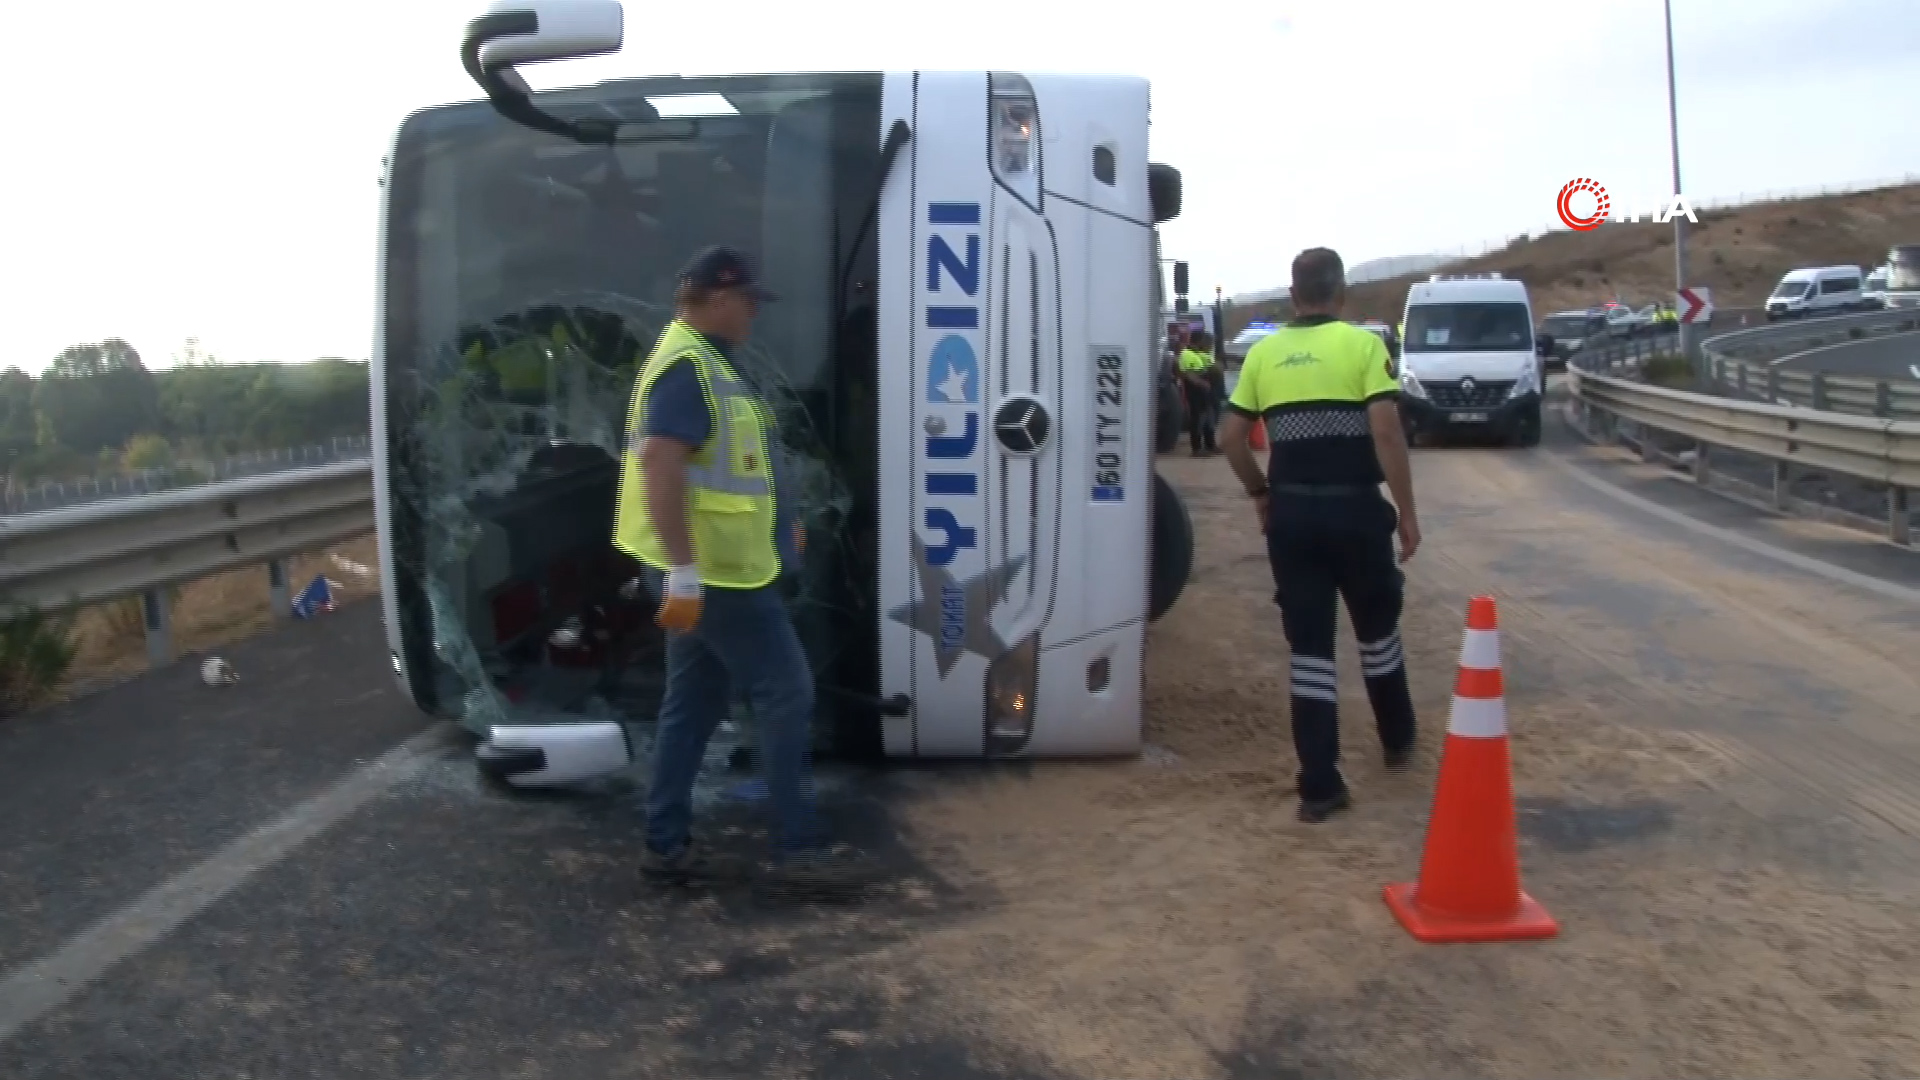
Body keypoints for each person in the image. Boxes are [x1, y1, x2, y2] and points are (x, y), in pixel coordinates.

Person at [613, 245, 877, 888]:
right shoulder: (686, 367)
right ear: (715, 299)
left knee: (693, 704)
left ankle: (666, 845)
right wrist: (684, 568)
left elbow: (734, 466)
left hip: (722, 569)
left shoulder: (702, 361)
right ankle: (795, 853)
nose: (753, 313)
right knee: (787, 693)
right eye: (747, 301)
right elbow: (662, 465)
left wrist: (783, 519)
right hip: (719, 577)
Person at [1218, 247, 1422, 823]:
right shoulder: (1362, 346)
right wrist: (1405, 510)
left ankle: (1319, 784)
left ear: (1293, 294)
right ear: (1339, 295)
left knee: (1310, 648)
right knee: (1376, 629)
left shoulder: (1264, 353)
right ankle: (1398, 737)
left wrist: (1260, 493)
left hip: (1293, 519)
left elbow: (1231, 436)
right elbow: (1385, 430)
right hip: (1356, 512)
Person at [1178, 330, 1220, 456]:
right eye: (1205, 341)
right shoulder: (1187, 354)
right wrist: (1202, 383)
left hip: (1205, 393)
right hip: (1195, 393)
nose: (1208, 344)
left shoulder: (1199, 353)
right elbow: (1188, 374)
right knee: (1198, 420)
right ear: (1199, 340)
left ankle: (1210, 445)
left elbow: (1211, 367)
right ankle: (1197, 449)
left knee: (1208, 419)